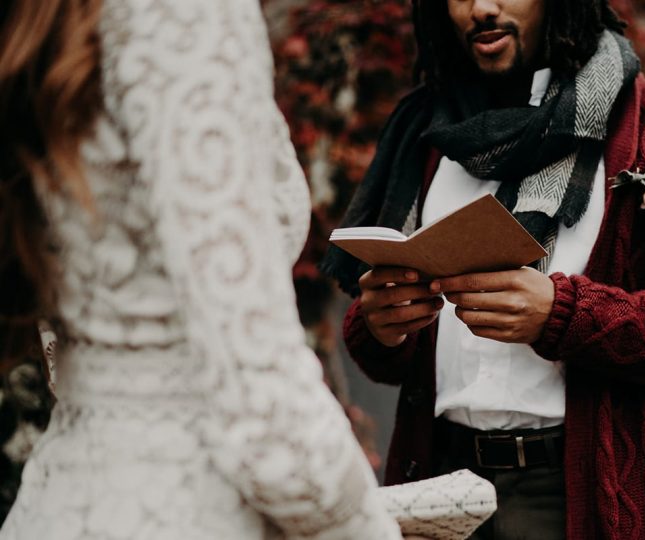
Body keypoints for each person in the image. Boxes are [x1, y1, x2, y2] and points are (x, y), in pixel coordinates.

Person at [322, 0, 645, 538]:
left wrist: (563, 314)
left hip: (586, 496)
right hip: (437, 486)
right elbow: (386, 359)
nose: (482, 8)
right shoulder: (424, 128)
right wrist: (380, 325)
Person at [0, 0, 403, 538]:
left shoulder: (56, 19)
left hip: (66, 493)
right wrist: (367, 527)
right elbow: (266, 413)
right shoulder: (187, 15)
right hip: (191, 502)